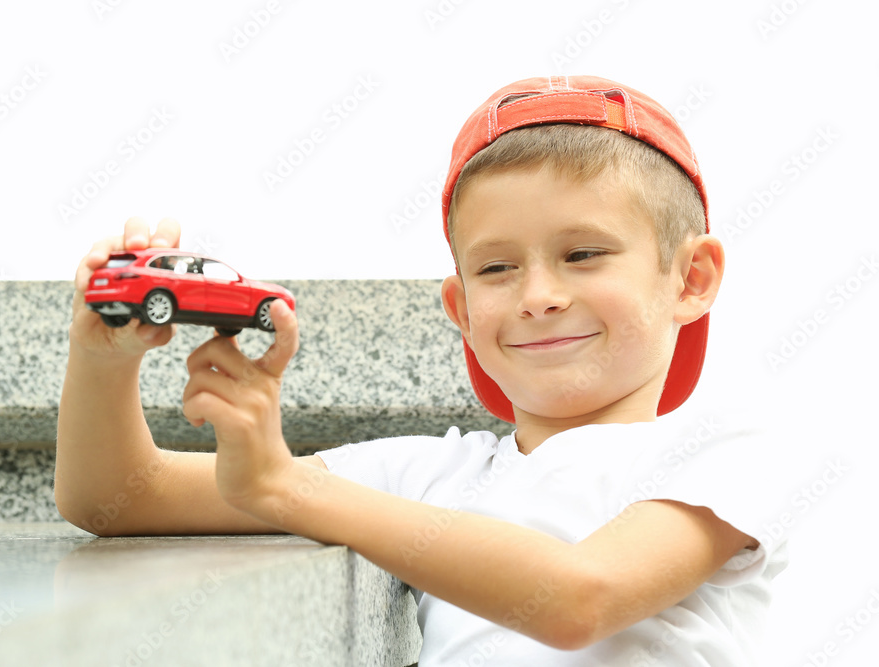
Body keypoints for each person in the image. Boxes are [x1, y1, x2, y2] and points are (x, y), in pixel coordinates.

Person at [55, 75, 787, 665]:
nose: (538, 296)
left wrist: (283, 485)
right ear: (461, 307)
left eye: (583, 253)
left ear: (692, 278)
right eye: (497, 267)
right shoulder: (427, 475)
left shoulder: (722, 450)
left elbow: (579, 600)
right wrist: (101, 359)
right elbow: (116, 497)